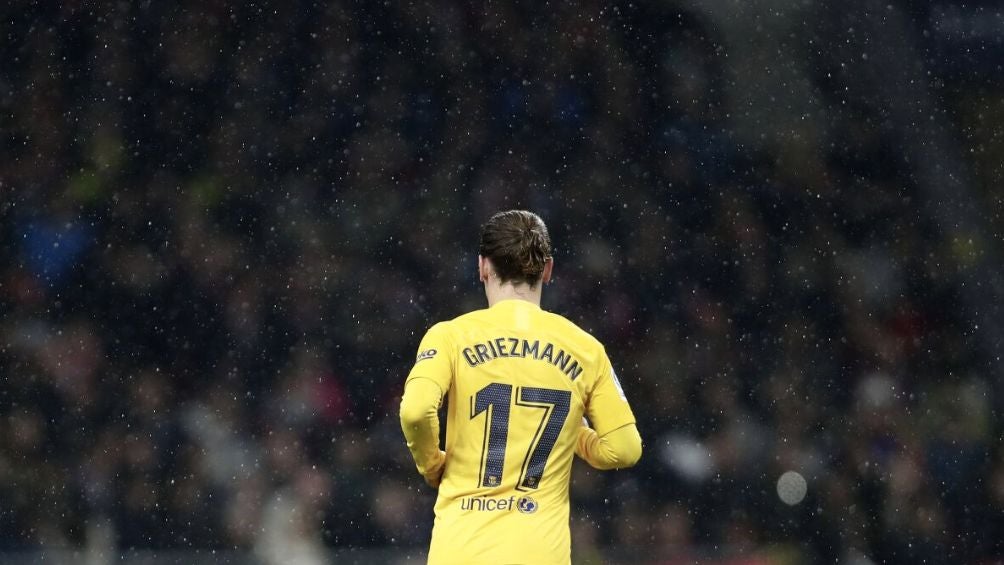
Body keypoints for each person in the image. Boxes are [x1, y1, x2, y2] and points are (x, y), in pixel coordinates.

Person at [399, 209, 643, 565]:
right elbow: (625, 449)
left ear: (482, 267)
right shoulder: (585, 349)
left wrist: (431, 463)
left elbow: (415, 411)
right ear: (547, 269)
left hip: (461, 550)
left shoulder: (450, 336)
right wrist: (574, 431)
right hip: (540, 552)